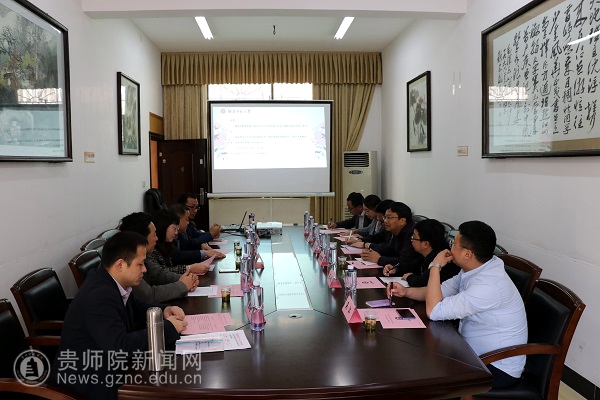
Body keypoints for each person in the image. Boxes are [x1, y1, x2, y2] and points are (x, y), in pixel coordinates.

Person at [387, 221, 527, 389]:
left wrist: (435, 266)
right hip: (470, 351)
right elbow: (438, 292)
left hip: (495, 366)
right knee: (418, 357)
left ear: (467, 254)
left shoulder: (488, 285)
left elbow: (434, 310)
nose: (449, 247)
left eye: (454, 244)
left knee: (422, 371)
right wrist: (406, 292)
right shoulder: (476, 268)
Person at [51, 231, 187, 399]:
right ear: (120, 265)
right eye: (140, 264)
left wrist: (164, 310)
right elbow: (119, 347)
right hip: (87, 380)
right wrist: (167, 329)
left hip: (110, 365)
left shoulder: (110, 280)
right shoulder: (99, 296)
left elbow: (136, 306)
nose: (144, 270)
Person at [119, 212, 198, 301]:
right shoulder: (127, 262)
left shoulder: (143, 256)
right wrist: (183, 285)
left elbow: (159, 274)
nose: (156, 238)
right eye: (154, 235)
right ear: (142, 238)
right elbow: (149, 295)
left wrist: (186, 279)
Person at [392, 218, 460, 286]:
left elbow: (421, 282)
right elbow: (413, 266)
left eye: (414, 237)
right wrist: (396, 269)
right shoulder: (425, 253)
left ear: (425, 244)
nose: (411, 240)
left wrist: (409, 277)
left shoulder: (443, 259)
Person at [361, 201, 421, 273]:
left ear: (402, 221)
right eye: (385, 217)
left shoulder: (412, 234)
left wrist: (379, 259)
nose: (385, 221)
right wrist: (371, 252)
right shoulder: (397, 231)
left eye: (389, 217)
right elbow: (390, 250)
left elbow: (404, 261)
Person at [148, 209, 214, 275]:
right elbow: (162, 273)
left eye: (177, 228)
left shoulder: (168, 244)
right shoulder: (152, 248)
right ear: (163, 226)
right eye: (174, 228)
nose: (176, 232)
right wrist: (189, 268)